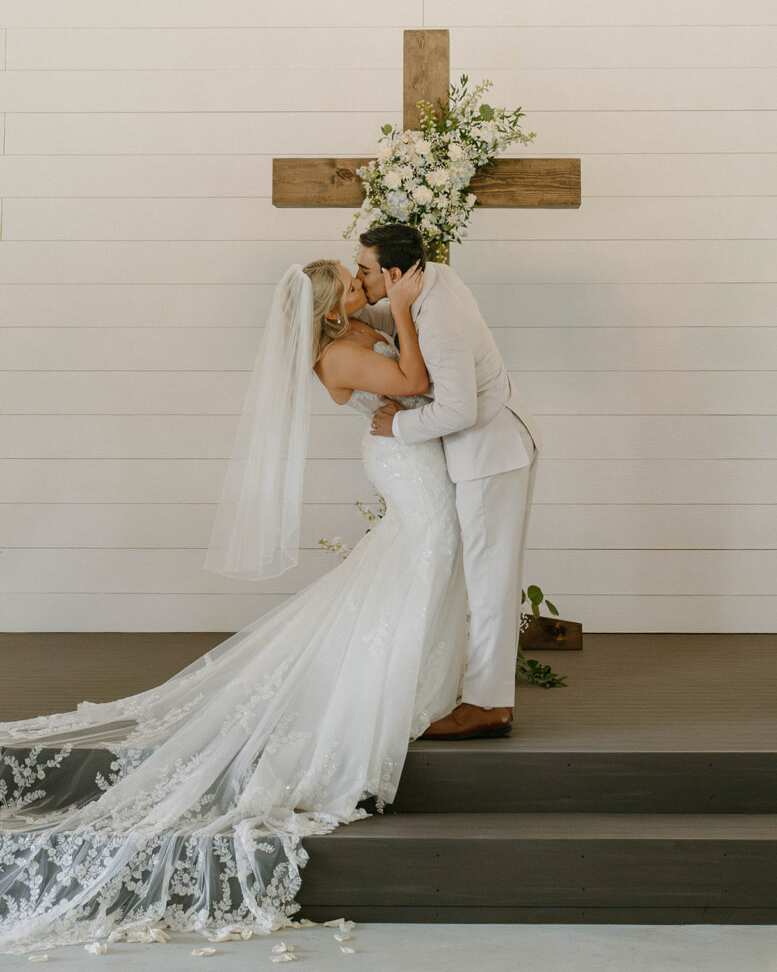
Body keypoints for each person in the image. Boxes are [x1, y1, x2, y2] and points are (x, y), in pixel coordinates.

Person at [0, 254, 472, 956]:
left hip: (411, 456)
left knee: (418, 566)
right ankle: (399, 686)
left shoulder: (349, 333)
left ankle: (428, 678)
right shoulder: (338, 354)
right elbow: (417, 382)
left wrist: (404, 305)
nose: (359, 286)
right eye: (349, 283)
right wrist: (403, 309)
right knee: (426, 558)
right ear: (329, 308)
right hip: (405, 465)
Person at [353, 224, 542, 740]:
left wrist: (398, 425)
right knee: (483, 573)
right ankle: (482, 690)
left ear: (394, 274)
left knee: (489, 579)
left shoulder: (438, 317)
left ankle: (487, 705)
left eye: (364, 270)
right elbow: (382, 313)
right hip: (492, 441)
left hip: (489, 452)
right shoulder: (429, 279)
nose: (357, 276)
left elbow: (458, 409)